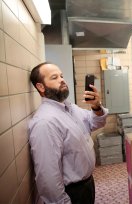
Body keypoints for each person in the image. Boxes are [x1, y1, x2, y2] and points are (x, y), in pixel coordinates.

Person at [28, 62, 108, 204]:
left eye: (62, 76)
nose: (62, 80)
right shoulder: (45, 122)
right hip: (71, 193)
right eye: (54, 77)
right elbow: (48, 177)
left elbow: (95, 123)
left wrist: (96, 106)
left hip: (87, 185)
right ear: (41, 86)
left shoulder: (70, 108)